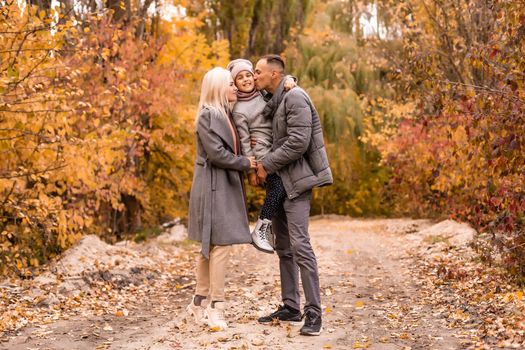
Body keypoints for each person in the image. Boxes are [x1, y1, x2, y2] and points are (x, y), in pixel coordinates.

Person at [253, 54, 333, 336]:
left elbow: (299, 142)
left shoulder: (296, 97)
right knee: (283, 247)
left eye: (258, 71)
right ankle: (291, 306)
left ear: (274, 75)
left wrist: (266, 164)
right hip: (278, 184)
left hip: (297, 183)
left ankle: (314, 313)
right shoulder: (275, 100)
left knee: (301, 246)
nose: (254, 76)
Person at [186, 67, 257, 331]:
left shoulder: (227, 113)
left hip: (224, 183)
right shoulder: (208, 116)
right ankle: (216, 306)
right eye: (230, 84)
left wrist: (290, 83)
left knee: (212, 246)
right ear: (218, 88)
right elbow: (217, 154)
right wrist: (246, 163)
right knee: (220, 246)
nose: (235, 87)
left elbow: (258, 94)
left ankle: (198, 302)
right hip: (212, 184)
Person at [226, 58, 296, 254]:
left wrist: (291, 79)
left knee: (279, 189)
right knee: (279, 186)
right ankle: (261, 228)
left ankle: (268, 228)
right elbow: (245, 142)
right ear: (235, 83)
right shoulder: (239, 109)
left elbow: (279, 83)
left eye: (249, 75)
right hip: (262, 151)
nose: (247, 79)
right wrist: (251, 171)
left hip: (277, 144)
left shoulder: (263, 94)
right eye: (240, 78)